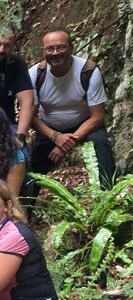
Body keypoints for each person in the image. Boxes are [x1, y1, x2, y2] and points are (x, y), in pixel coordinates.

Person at [29, 29, 115, 187]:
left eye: (61, 47)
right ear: (43, 51)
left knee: (101, 146)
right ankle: (26, 207)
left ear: (71, 47)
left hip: (85, 124)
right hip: (50, 128)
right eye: (50, 49)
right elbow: (31, 116)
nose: (55, 53)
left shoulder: (88, 71)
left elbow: (97, 116)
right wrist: (55, 137)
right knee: (33, 166)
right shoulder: (35, 74)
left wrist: (67, 142)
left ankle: (108, 198)